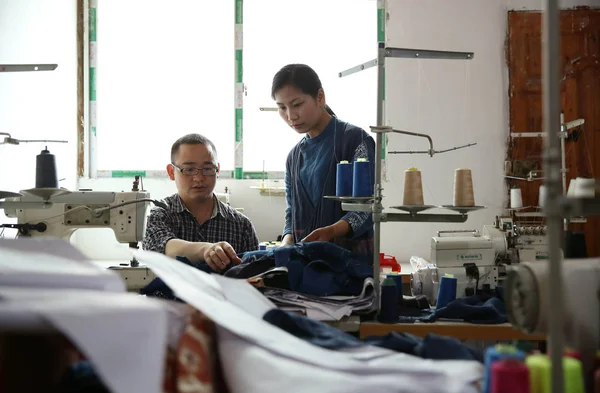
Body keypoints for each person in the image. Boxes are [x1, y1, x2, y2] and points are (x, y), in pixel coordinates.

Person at [272, 64, 375, 262]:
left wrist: (333, 231)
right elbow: (291, 212)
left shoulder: (355, 140)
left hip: (350, 269)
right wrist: (286, 242)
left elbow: (367, 208)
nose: (291, 116)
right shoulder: (293, 157)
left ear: (320, 97)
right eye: (282, 107)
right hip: (306, 266)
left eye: (297, 104)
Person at [142, 133, 259, 272]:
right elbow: (162, 246)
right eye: (189, 170)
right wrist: (206, 250)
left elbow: (254, 279)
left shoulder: (241, 226)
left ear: (217, 170)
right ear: (171, 172)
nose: (198, 178)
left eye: (208, 169)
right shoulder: (159, 215)